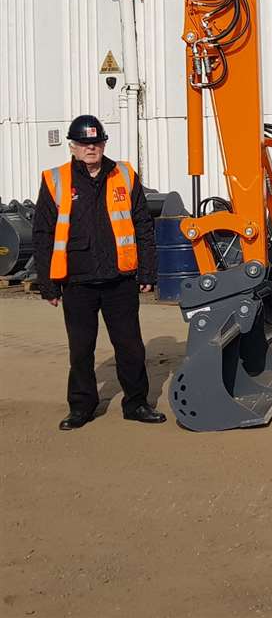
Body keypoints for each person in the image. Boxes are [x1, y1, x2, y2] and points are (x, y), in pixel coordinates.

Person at [33, 115, 165, 430]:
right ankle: (81, 407)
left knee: (131, 346)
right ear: (73, 146)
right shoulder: (56, 180)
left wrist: (148, 271)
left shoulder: (124, 174)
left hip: (119, 280)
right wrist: (48, 284)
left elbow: (143, 225)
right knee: (81, 349)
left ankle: (136, 404)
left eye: (96, 142)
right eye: (84, 143)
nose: (91, 148)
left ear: (104, 143)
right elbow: (43, 234)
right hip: (77, 282)